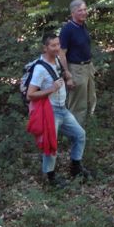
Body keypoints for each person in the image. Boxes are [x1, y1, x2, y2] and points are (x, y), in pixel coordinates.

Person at [27, 33, 89, 187]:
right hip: (50, 111)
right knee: (51, 144)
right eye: (53, 45)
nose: (57, 48)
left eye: (58, 44)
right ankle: (50, 178)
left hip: (63, 109)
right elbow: (30, 94)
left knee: (80, 135)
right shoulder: (39, 69)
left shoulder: (57, 60)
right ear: (45, 48)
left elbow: (63, 74)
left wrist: (68, 78)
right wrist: (51, 89)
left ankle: (75, 168)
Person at [59, 0, 96, 127]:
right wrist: (67, 75)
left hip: (88, 67)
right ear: (73, 12)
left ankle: (89, 127)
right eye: (80, 10)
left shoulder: (83, 26)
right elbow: (61, 54)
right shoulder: (67, 30)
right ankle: (75, 132)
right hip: (76, 69)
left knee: (91, 98)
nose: (84, 12)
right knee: (78, 104)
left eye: (85, 9)